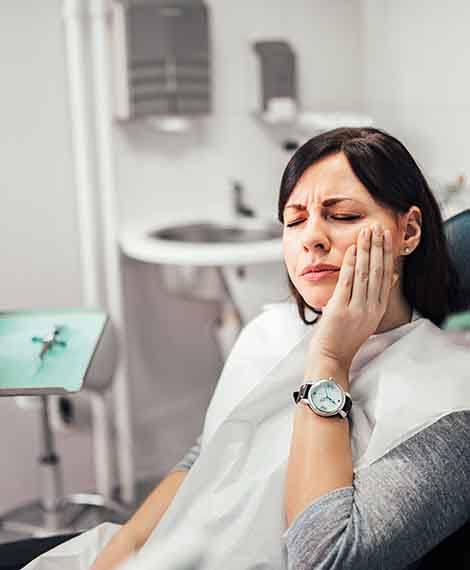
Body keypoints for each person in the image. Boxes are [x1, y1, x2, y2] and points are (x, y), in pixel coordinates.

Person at [20, 127, 470, 569]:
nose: (311, 238)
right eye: (294, 221)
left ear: (408, 231)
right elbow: (203, 460)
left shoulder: (450, 398)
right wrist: (112, 560)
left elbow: (324, 559)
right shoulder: (269, 331)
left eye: (344, 216)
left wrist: (331, 360)